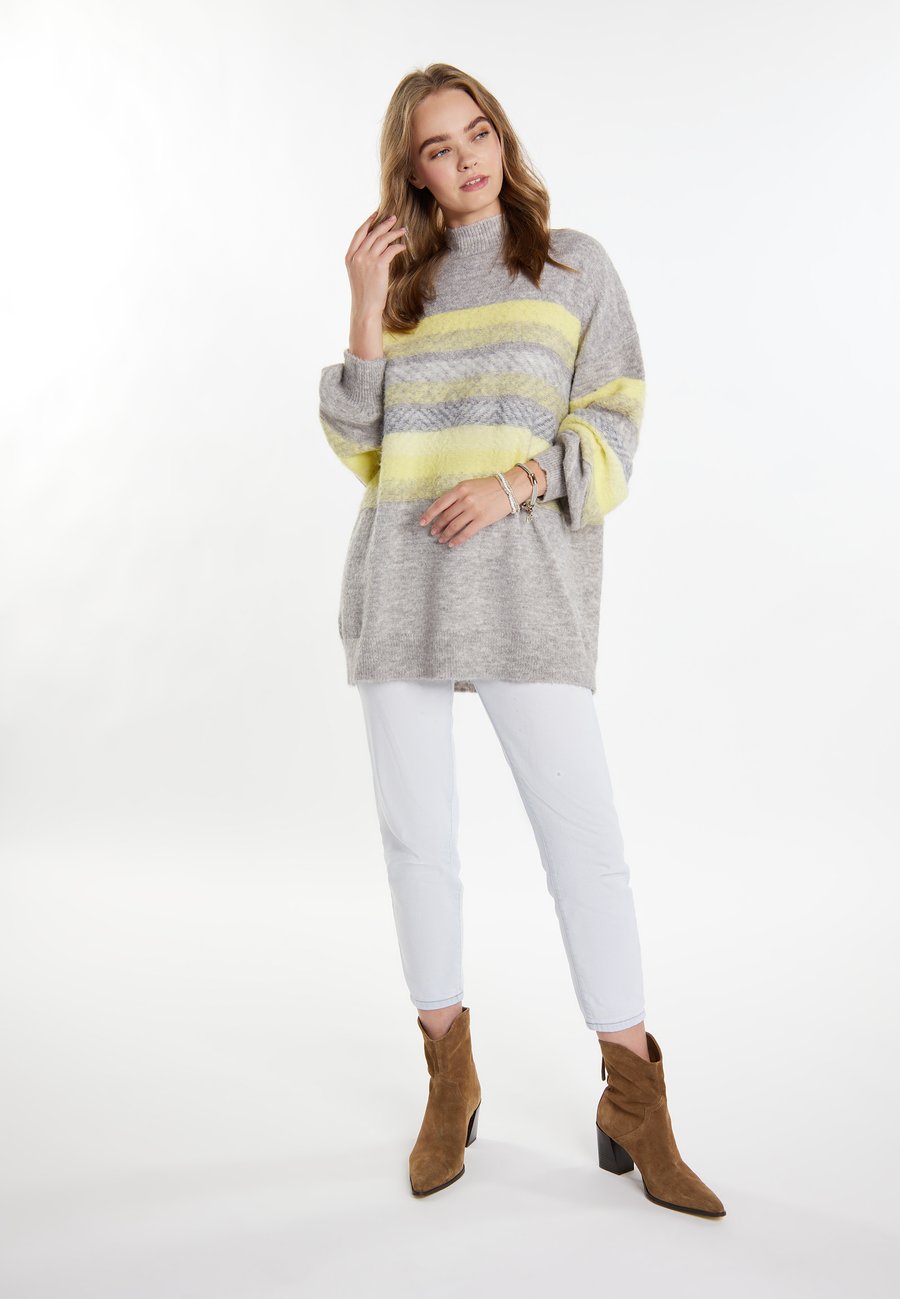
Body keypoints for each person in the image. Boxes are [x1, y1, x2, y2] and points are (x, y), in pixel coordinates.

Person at [318, 63, 725, 1219]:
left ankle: (635, 1104)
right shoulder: (404, 283)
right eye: (439, 149)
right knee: (418, 842)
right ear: (412, 172)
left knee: (584, 844)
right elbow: (363, 449)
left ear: (502, 136)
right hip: (404, 583)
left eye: (478, 134)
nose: (467, 161)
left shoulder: (573, 267)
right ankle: (449, 1082)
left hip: (526, 590)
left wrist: (516, 481)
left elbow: (616, 421)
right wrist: (362, 301)